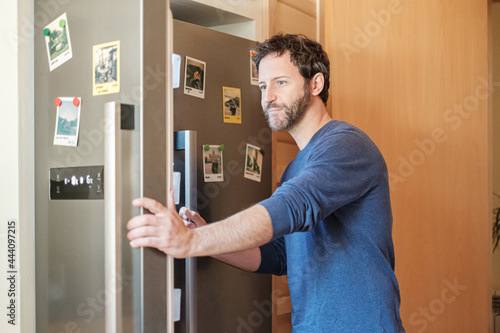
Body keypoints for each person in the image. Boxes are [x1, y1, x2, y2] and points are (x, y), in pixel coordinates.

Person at [127, 33, 405, 332]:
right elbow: (279, 255)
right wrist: (206, 237)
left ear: (316, 84)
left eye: (280, 83)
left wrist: (190, 241)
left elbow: (292, 206)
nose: (267, 96)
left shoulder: (347, 145)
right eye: (262, 85)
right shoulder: (297, 167)